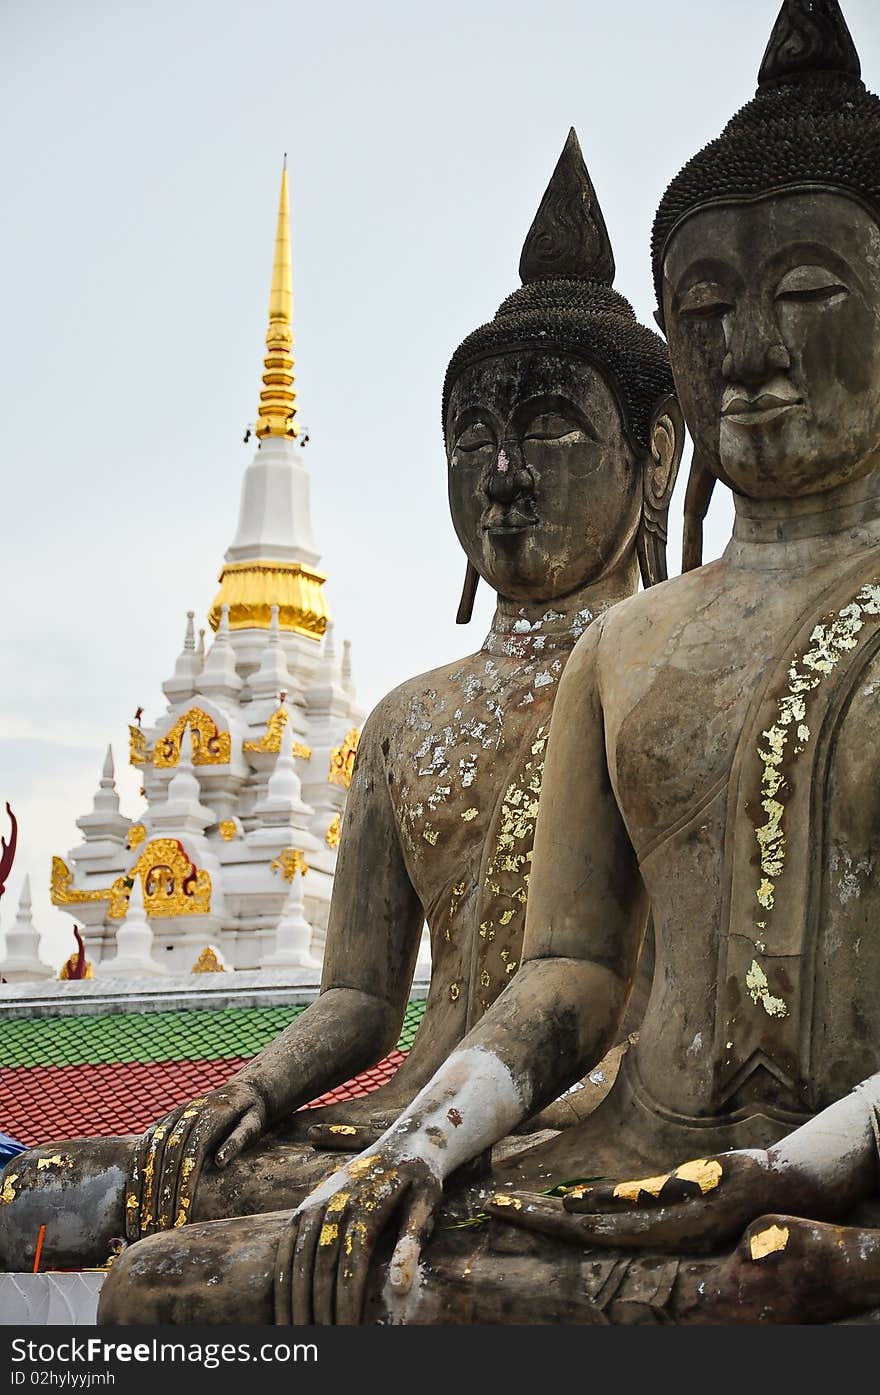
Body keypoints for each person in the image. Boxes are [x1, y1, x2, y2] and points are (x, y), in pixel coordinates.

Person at [97, 0, 880, 1327]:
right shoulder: (633, 648)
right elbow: (569, 970)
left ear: (649, 458)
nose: (748, 351)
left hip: (824, 1173)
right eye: (707, 307)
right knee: (163, 1282)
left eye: (807, 293)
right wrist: (416, 1145)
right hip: (617, 1155)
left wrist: (779, 1169)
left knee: (777, 1271)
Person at [0, 132, 680, 1276]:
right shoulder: (406, 721)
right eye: (474, 441)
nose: (504, 477)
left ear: (654, 459)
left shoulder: (677, 676)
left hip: (596, 1126)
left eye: (551, 430)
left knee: (217, 1274)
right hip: (395, 1120)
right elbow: (364, 996)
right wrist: (249, 1088)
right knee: (71, 1197)